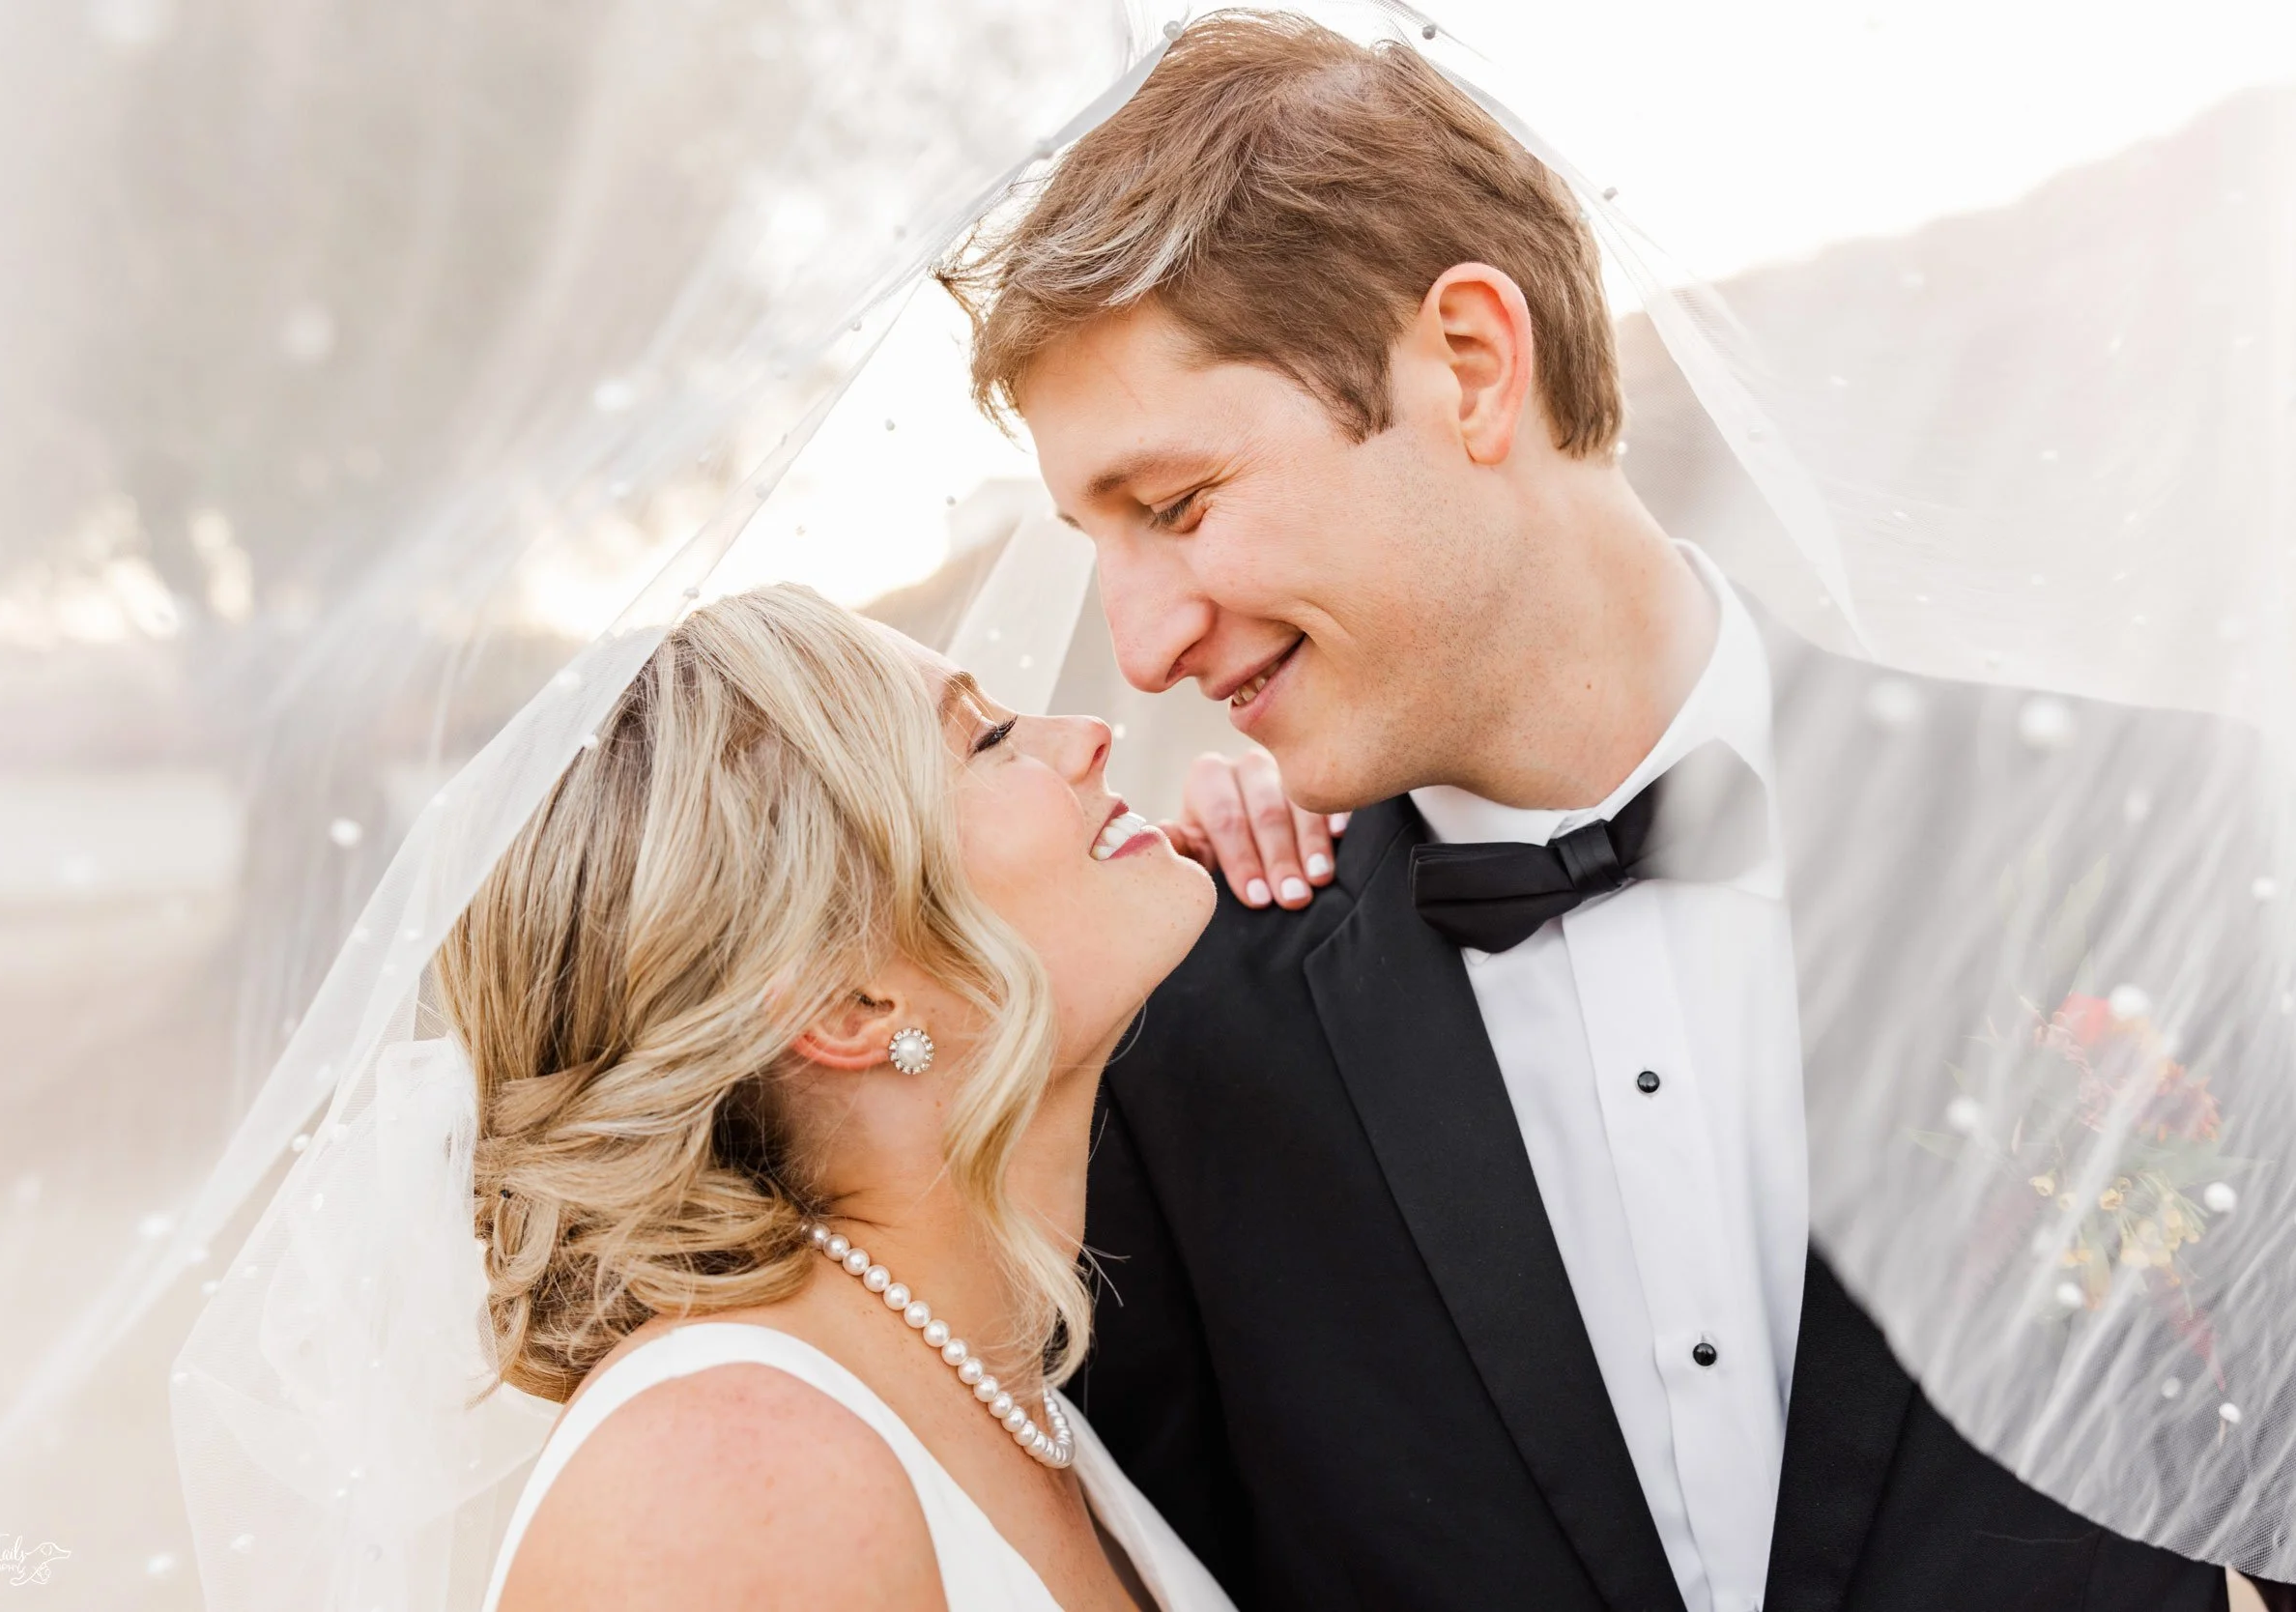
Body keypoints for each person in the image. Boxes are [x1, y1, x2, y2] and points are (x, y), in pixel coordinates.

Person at [945, 13, 2290, 1612]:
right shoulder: (1173, 1062)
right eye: (1099, 541)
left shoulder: (2167, 837)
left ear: (1470, 364)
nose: (1144, 641)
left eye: (1175, 506)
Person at [456, 584, 1232, 1610]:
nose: (1089, 735)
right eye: (991, 740)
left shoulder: (1010, 1395)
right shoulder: (724, 1485)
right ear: (848, 1002)